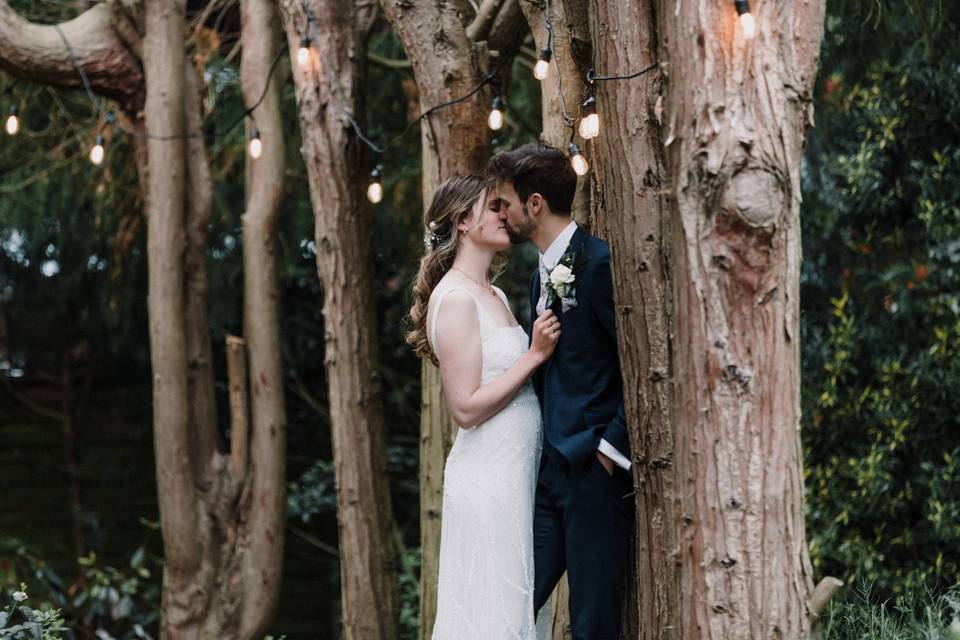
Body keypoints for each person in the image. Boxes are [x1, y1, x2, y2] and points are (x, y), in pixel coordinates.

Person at [487, 143, 635, 640]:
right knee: (510, 601)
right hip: (550, 476)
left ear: (533, 204)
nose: (500, 214)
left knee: (593, 624)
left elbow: (635, 365)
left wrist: (610, 451)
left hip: (595, 473)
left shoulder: (598, 263)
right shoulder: (538, 278)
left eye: (504, 202)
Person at [406, 174, 560, 639]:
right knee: (493, 614)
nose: (504, 214)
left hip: (516, 476)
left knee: (517, 612)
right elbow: (465, 408)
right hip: (487, 480)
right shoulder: (453, 299)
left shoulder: (490, 294)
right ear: (462, 222)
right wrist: (533, 356)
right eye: (493, 207)